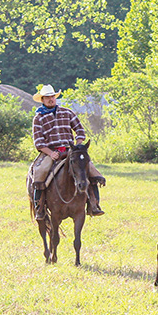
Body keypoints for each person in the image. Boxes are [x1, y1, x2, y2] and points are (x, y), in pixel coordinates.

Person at [30, 84, 105, 220]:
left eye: (52, 96)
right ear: (42, 100)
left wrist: (77, 146)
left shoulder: (67, 112)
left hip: (71, 150)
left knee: (92, 171)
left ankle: (94, 204)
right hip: (51, 152)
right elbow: (39, 142)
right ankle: (39, 207)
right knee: (40, 173)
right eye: (47, 97)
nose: (51, 99)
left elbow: (80, 130)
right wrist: (50, 153)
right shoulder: (38, 118)